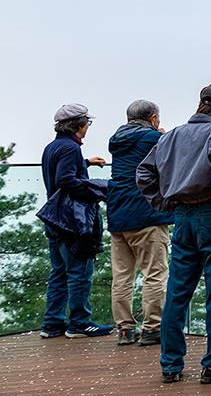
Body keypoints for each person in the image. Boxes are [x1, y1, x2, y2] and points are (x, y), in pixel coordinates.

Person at [137, 83, 211, 385]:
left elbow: (144, 173)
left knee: (178, 290)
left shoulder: (172, 136)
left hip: (183, 217)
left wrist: (166, 202)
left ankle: (171, 364)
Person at [39, 103, 111, 339]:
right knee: (80, 272)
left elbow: (59, 173)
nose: (88, 127)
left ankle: (52, 324)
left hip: (54, 218)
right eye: (87, 123)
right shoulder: (70, 148)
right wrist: (98, 189)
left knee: (59, 272)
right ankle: (79, 323)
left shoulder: (52, 147)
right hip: (71, 221)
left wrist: (86, 162)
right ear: (79, 125)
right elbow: (66, 180)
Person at [107, 99, 174, 346]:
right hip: (147, 213)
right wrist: (162, 136)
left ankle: (125, 329)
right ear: (153, 118)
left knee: (122, 276)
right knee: (154, 273)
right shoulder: (153, 138)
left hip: (118, 214)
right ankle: (153, 328)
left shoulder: (117, 140)